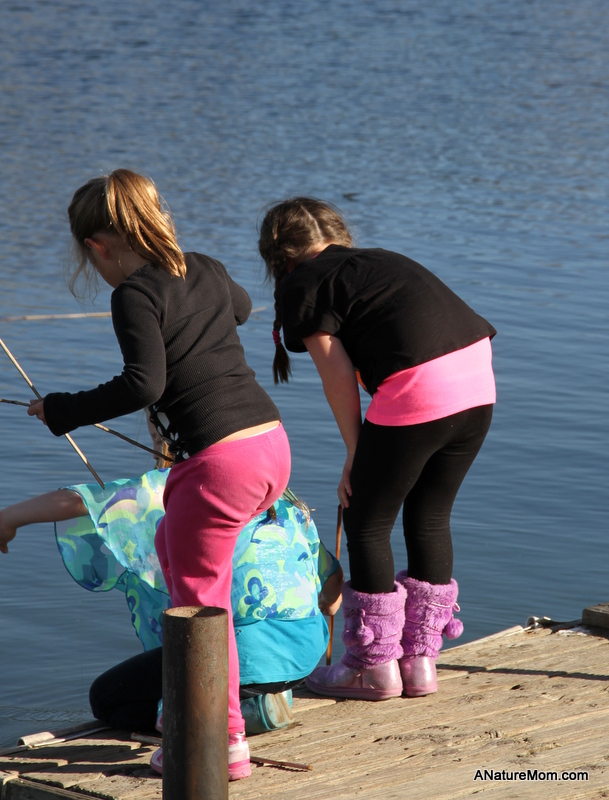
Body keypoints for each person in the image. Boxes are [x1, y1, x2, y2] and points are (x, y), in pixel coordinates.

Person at [25, 169, 292, 781]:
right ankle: (198, 711)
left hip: (222, 461)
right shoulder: (203, 265)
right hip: (269, 444)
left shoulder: (134, 294)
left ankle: (216, 742)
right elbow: (244, 308)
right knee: (173, 548)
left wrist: (64, 410)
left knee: (201, 605)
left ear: (97, 246)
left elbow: (146, 384)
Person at [258, 198, 496, 702]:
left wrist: (355, 449)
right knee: (430, 516)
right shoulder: (377, 261)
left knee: (365, 518)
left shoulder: (305, 282)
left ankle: (372, 668)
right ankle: (420, 662)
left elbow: (339, 376)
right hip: (477, 381)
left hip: (420, 387)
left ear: (279, 256)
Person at [0, 467, 343, 754]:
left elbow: (83, 501)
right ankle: (258, 697)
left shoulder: (185, 482)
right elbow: (332, 590)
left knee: (106, 699)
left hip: (243, 653)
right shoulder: (280, 492)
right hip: (305, 650)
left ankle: (228, 712)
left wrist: (9, 518)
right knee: (241, 649)